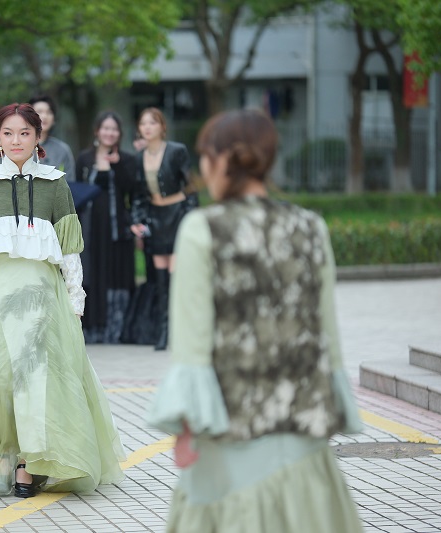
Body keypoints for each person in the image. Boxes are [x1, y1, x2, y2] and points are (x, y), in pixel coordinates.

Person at [148, 109, 364, 533]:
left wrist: (185, 429)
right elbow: (327, 334)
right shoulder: (311, 227)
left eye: (205, 156)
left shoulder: (201, 229)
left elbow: (192, 344)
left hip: (230, 431)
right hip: (303, 431)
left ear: (222, 160)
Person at [0, 103, 125, 498]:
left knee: (39, 377)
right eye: (8, 133)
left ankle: (28, 464)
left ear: (38, 137)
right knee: (1, 378)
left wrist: (76, 296)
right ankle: (11, 450)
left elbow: (70, 247)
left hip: (43, 294)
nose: (16, 140)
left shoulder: (55, 183)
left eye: (25, 133)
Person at [130, 107, 197, 351]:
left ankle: (183, 331)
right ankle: (163, 331)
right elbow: (139, 195)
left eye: (153, 123)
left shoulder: (177, 151)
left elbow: (190, 187)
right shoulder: (139, 157)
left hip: (177, 215)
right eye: (143, 123)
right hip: (156, 219)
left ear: (163, 127)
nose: (147, 127)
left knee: (176, 275)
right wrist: (137, 220)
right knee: (159, 280)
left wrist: (190, 218)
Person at [74, 111, 137, 344]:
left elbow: (132, 190)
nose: (109, 133)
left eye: (114, 129)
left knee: (115, 274)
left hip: (117, 228)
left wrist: (117, 166)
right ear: (97, 131)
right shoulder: (84, 158)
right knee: (91, 273)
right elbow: (78, 191)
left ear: (119, 133)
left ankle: (115, 330)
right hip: (90, 228)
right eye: (105, 128)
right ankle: (91, 329)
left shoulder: (127, 159)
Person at [29, 95, 76, 180]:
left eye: (49, 112)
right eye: (39, 112)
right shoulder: (18, 146)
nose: (44, 116)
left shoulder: (62, 150)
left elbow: (70, 183)